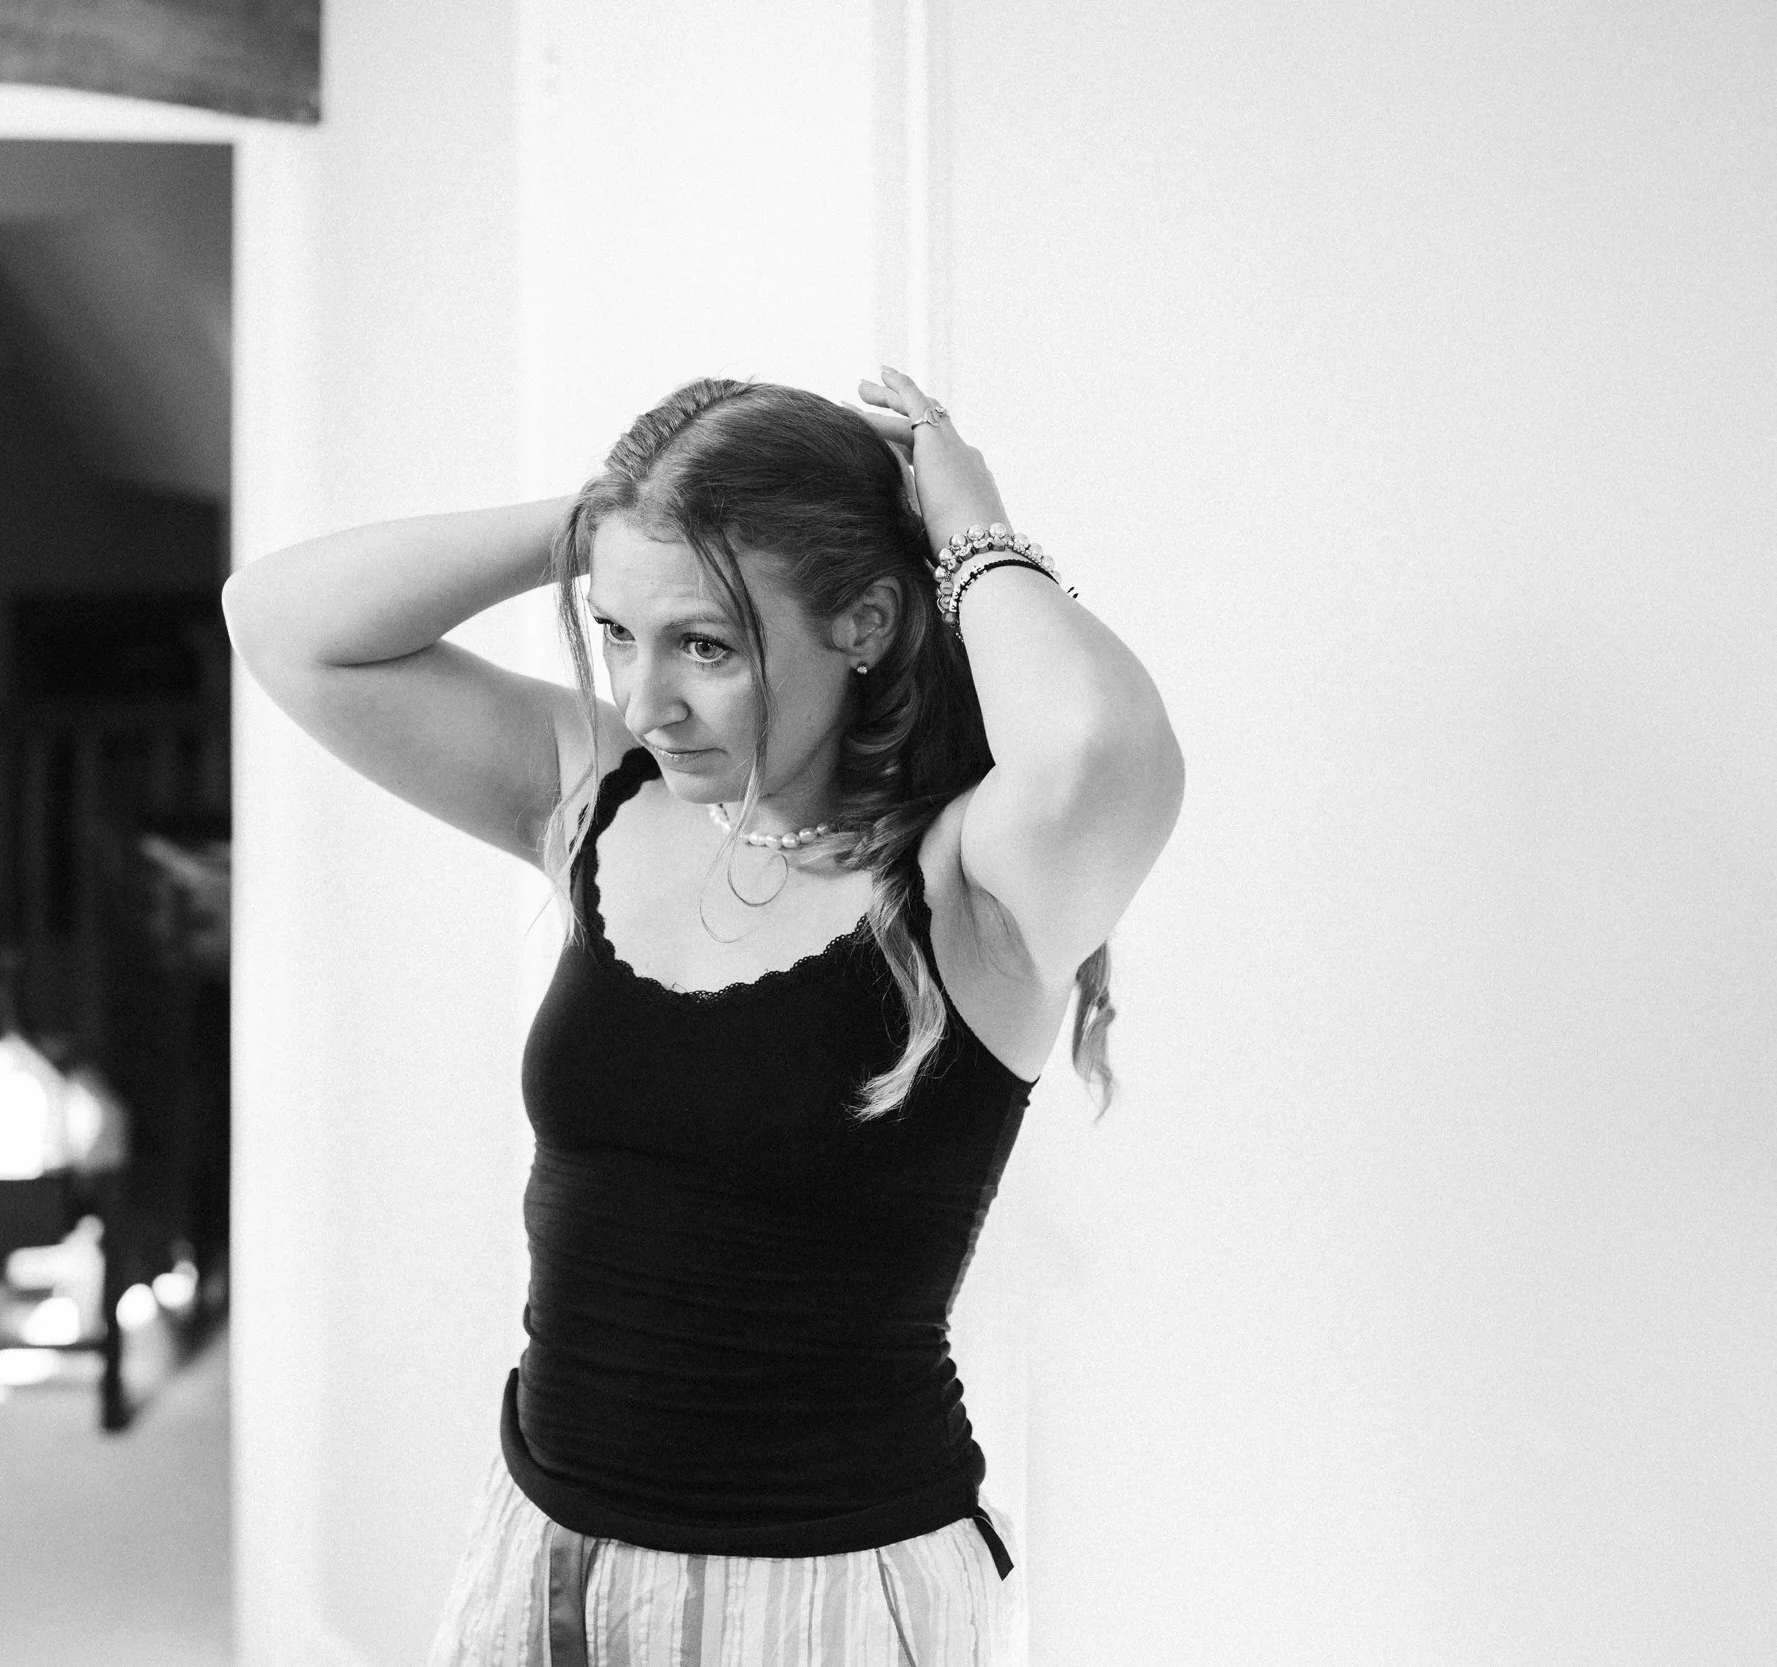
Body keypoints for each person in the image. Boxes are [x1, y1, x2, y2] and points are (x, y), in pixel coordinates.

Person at [223, 369, 1185, 1665]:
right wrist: (616, 519)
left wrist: (968, 524)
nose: (642, 701)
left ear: (863, 622)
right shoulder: (604, 797)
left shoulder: (975, 888)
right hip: (541, 1547)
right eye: (617, 633)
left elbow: (1100, 748)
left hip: (823, 1596)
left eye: (706, 646)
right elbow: (282, 621)